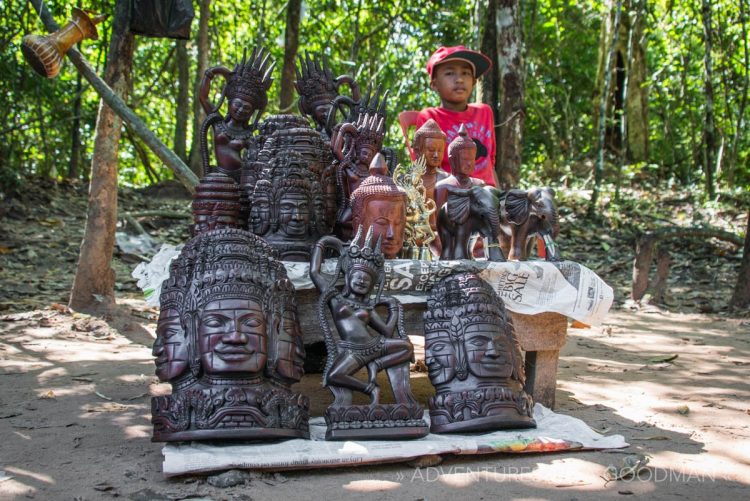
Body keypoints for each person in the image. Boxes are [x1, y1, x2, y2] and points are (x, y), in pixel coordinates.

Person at [415, 45, 498, 187]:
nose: (459, 79)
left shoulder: (485, 112)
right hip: (451, 195)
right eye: (449, 73)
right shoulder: (429, 118)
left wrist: (501, 197)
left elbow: (490, 162)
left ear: (474, 81)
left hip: (489, 194)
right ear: (434, 84)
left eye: (465, 73)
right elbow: (426, 170)